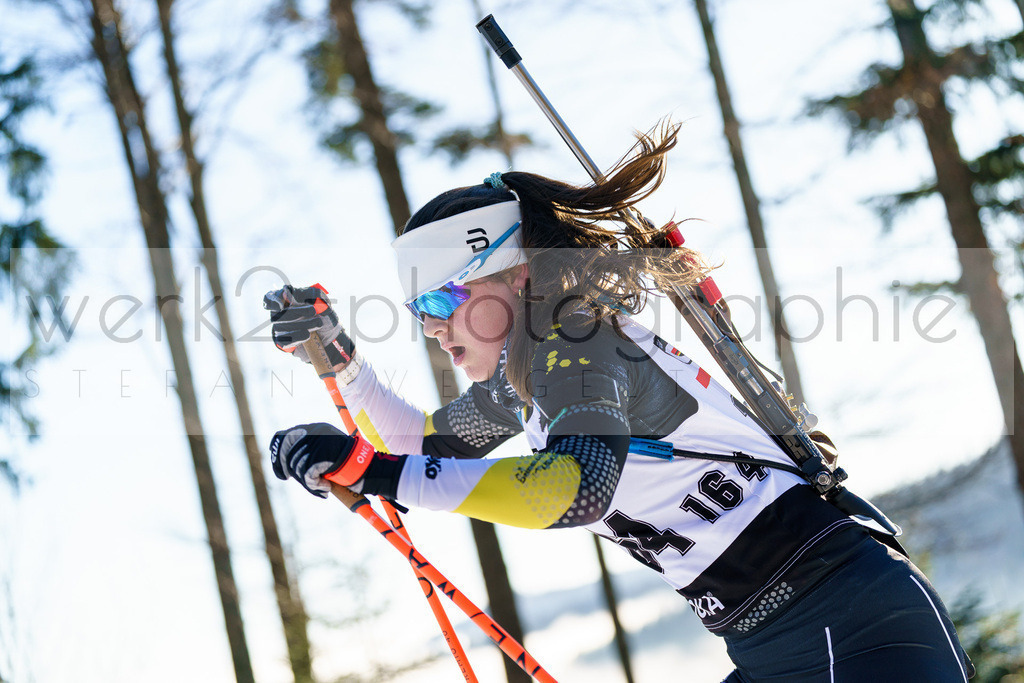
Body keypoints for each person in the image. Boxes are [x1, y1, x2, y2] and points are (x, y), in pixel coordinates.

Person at [264, 125, 973, 682]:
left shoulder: (578, 339)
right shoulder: (534, 378)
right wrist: (341, 360)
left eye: (441, 298)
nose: (429, 325)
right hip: (771, 643)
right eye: (417, 307)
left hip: (857, 625)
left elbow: (573, 488)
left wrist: (368, 467)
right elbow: (426, 450)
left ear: (514, 274)